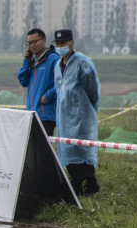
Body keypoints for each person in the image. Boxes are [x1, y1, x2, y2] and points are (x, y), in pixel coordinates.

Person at [53, 29, 101, 196]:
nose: (60, 46)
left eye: (63, 43)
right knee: (68, 149)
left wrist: (89, 108)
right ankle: (76, 183)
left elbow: (92, 89)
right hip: (64, 116)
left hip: (81, 115)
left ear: (71, 43)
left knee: (83, 150)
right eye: (57, 43)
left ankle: (91, 184)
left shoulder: (82, 63)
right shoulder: (57, 66)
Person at [17, 28, 58, 136]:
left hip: (45, 115)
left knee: (42, 150)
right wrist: (26, 61)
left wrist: (50, 95)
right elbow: (23, 81)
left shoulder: (53, 59)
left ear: (44, 40)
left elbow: (62, 83)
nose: (32, 45)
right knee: (32, 150)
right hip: (31, 113)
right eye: (29, 43)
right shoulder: (33, 62)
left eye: (35, 42)